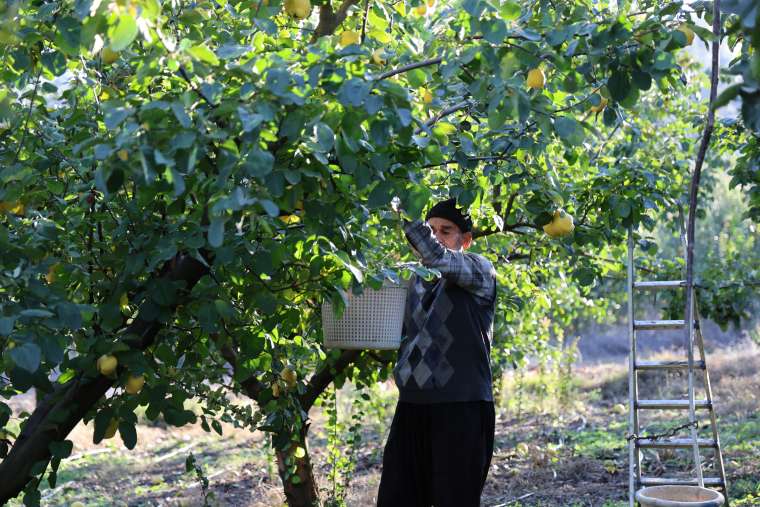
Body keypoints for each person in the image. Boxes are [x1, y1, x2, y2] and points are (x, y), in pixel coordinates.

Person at [377, 197, 497, 507]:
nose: (435, 237)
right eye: (430, 230)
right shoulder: (412, 280)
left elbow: (437, 256)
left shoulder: (479, 272)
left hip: (462, 409)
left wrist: (397, 203)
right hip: (413, 407)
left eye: (445, 231)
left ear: (465, 240)